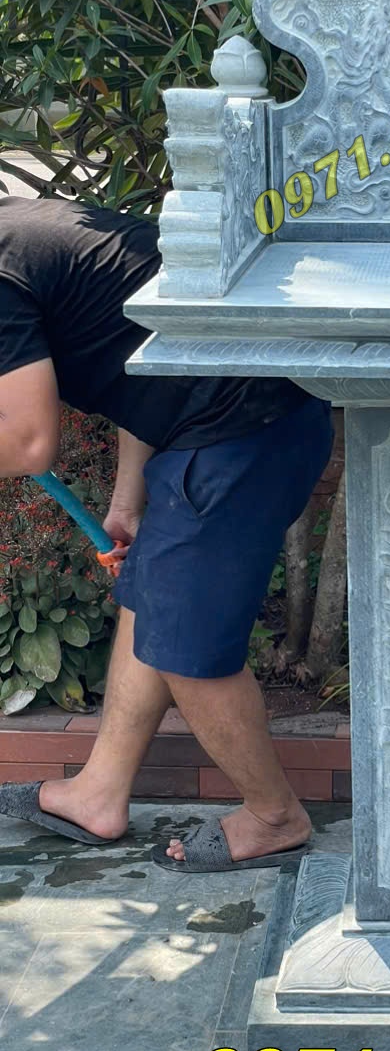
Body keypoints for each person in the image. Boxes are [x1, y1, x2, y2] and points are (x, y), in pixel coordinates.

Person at [0, 194, 334, 872]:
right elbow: (149, 348)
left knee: (186, 645)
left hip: (246, 427)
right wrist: (130, 497)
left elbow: (28, 442)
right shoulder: (30, 231)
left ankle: (274, 816)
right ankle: (98, 793)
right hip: (225, 421)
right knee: (148, 598)